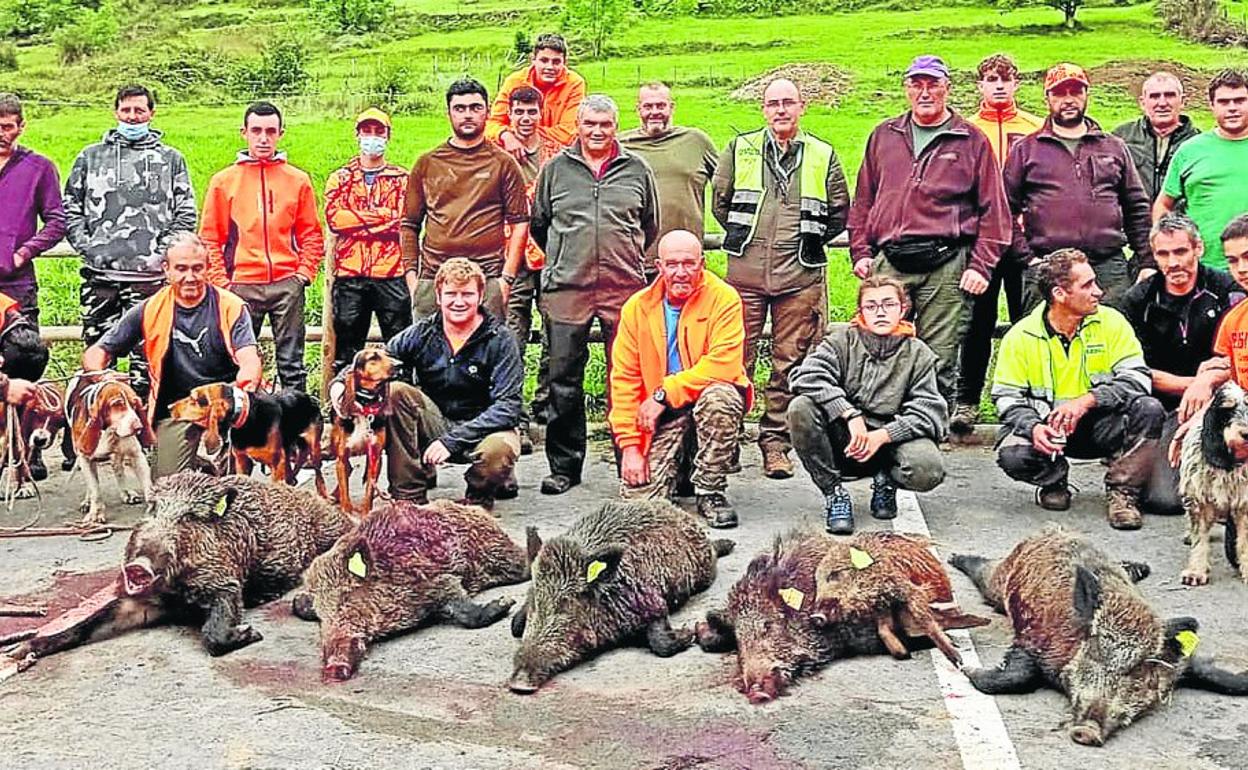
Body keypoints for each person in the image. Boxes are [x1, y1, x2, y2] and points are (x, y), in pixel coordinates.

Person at [849, 55, 1010, 405]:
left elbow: (995, 211)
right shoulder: (883, 135)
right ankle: (879, 427)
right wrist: (861, 251)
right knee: (878, 344)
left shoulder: (971, 140)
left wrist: (981, 266)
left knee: (939, 357)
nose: (925, 92)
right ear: (906, 89)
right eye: (917, 84)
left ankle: (927, 439)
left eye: (933, 84)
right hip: (890, 261)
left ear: (947, 88)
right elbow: (863, 199)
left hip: (946, 264)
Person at [711, 78, 850, 479]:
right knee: (735, 360)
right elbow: (721, 203)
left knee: (791, 363)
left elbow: (839, 211)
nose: (781, 110)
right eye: (773, 103)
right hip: (745, 276)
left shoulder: (824, 154)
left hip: (799, 275)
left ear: (802, 106)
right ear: (763, 109)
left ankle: (776, 444)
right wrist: (749, 241)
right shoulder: (741, 150)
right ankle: (728, 440)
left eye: (788, 102)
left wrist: (804, 241)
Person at [530, 93, 659, 495]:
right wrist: (567, 258)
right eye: (590, 124)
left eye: (605, 125)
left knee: (627, 377)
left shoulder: (637, 170)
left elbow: (650, 225)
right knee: (563, 377)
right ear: (578, 126)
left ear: (615, 127)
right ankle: (564, 466)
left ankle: (630, 458)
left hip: (623, 289)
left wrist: (624, 258)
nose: (597, 132)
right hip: (567, 289)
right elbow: (540, 225)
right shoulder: (555, 170)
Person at [992, 248, 1162, 530]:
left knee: (1149, 409)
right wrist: (1034, 428)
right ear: (1060, 294)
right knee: (1012, 454)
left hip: (1101, 424)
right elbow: (1005, 396)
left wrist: (1088, 400)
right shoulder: (1020, 337)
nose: (1098, 291)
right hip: (1050, 431)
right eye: (1087, 285)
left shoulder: (1112, 322)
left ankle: (1123, 493)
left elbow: (1139, 378)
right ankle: (1054, 479)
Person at [344, 258, 523, 508]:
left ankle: (477, 497)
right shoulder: (422, 332)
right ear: (438, 296)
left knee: (497, 454)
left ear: (481, 296)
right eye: (451, 294)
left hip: (485, 427)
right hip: (434, 420)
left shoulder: (501, 340)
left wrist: (452, 441)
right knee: (395, 392)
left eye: (467, 294)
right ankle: (409, 496)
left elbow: (509, 407)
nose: (458, 302)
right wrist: (342, 383)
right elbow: (376, 360)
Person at [83, 233, 262, 478]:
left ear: (208, 268)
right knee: (166, 487)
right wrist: (103, 378)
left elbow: (249, 360)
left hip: (224, 403)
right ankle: (201, 468)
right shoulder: (149, 309)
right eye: (181, 269)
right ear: (166, 270)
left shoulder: (231, 306)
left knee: (233, 489)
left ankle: (228, 467)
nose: (190, 277)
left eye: (198, 268)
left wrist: (243, 386)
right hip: (178, 405)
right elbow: (97, 352)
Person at [609, 230, 751, 529]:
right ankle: (680, 471)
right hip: (661, 414)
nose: (681, 272)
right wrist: (631, 448)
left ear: (702, 263)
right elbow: (624, 381)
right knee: (639, 505)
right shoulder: (637, 308)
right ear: (659, 267)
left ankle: (710, 489)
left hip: (703, 401)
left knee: (721, 397)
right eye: (672, 264)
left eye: (689, 263)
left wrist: (664, 393)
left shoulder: (724, 298)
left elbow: (724, 365)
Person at [65, 85, 196, 397]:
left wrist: (161, 255)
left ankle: (144, 435)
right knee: (98, 361)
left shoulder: (170, 160)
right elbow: (70, 206)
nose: (133, 117)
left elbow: (186, 213)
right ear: (116, 113)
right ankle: (97, 433)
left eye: (139, 110)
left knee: (149, 361)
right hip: (101, 279)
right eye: (126, 110)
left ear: (151, 113)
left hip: (150, 281)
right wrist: (89, 247)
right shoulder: (90, 157)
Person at [788, 276, 947, 535]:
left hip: (890, 441)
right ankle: (834, 492)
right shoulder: (841, 342)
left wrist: (883, 436)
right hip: (846, 437)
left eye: (888, 304)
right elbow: (806, 376)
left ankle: (887, 480)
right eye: (871, 306)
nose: (880, 312)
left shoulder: (919, 354)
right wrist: (849, 414)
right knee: (800, 408)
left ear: (902, 308)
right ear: (860, 311)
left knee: (927, 468)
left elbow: (930, 411)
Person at [1004, 63, 1154, 312]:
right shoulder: (1026, 149)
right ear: (1047, 99)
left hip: (1107, 266)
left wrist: (1148, 260)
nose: (1068, 100)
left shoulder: (1113, 147)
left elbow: (1136, 207)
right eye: (1060, 93)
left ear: (1086, 95)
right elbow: (1004, 210)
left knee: (1111, 339)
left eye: (1075, 92)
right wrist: (1028, 258)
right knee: (1043, 343)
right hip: (1049, 265)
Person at [1120, 213, 1242, 514]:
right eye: (1163, 253)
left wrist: (1208, 382)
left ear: (1198, 248)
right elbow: (1134, 368)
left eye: (1180, 252)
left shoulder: (1228, 288)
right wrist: (1193, 386)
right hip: (1163, 405)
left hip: (1223, 400)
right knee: (1165, 501)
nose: (1173, 262)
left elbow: (1237, 359)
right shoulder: (1138, 300)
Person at [200, 100, 323, 394]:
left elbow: (311, 233)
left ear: (281, 132)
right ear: (244, 132)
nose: (263, 138)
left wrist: (303, 274)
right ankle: (241, 430)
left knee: (292, 363)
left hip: (286, 283)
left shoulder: (298, 180)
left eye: (270, 131)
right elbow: (210, 238)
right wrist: (222, 283)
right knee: (237, 361)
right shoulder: (223, 182)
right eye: (256, 130)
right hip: (241, 285)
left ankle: (297, 430)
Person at [952, 54, 1043, 433]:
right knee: (976, 323)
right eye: (991, 79)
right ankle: (967, 400)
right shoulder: (966, 129)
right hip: (982, 242)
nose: (1000, 85)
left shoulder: (1037, 128)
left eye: (1006, 79)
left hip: (1025, 241)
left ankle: (1022, 402)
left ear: (1018, 83)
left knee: (1028, 323)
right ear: (980, 85)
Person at [402, 78, 530, 320]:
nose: (467, 115)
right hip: (434, 277)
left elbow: (520, 223)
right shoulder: (428, 163)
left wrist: (506, 280)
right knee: (429, 355)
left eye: (475, 107)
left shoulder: (503, 163)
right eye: (460, 108)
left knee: (486, 354)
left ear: (488, 111)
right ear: (449, 113)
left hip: (487, 277)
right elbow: (409, 224)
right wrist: (413, 279)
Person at [324, 107, 411, 375]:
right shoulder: (341, 178)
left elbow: (401, 222)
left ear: (389, 136)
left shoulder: (402, 179)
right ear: (357, 134)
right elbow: (336, 220)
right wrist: (380, 217)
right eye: (367, 131)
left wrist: (359, 222)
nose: (372, 137)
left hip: (392, 274)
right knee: (347, 352)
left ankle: (400, 406)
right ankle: (345, 408)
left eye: (379, 131)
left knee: (400, 349)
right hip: (350, 276)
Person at [499, 86, 561, 455]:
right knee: (512, 338)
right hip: (513, 257)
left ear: (541, 113)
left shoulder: (558, 151)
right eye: (518, 112)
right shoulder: (498, 151)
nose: (525, 119)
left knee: (557, 335)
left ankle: (546, 411)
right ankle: (513, 416)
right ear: (510, 115)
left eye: (531, 112)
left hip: (553, 255)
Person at [1156, 69, 1248, 269]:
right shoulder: (1190, 151)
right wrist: (1166, 249)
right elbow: (1163, 205)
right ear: (1212, 106)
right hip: (1206, 269)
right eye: (1224, 102)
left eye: (1239, 100)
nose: (1232, 108)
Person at [620, 82, 718, 258]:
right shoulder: (620, 147)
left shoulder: (696, 141)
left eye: (661, 106)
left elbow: (725, 187)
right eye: (648, 106)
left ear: (671, 108)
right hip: (636, 257)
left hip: (686, 258)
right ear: (638, 109)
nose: (654, 112)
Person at [0, 93, 65, 325]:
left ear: (21, 126)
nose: (0, 134)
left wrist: (22, 254)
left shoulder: (39, 168)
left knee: (22, 352)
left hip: (16, 282)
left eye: (6, 127)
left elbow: (57, 222)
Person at [486, 33, 586, 155]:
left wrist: (526, 136)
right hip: (514, 151)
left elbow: (568, 132)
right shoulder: (514, 81)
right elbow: (492, 124)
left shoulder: (574, 84)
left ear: (564, 62)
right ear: (533, 60)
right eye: (544, 60)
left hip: (558, 152)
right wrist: (505, 135)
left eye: (556, 62)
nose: (549, 67)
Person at [1113, 71, 1200, 203]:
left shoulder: (1198, 142)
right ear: (1142, 103)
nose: (1162, 103)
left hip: (1180, 222)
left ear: (1182, 101)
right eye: (1154, 96)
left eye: (1169, 95)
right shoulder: (1120, 138)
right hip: (1133, 221)